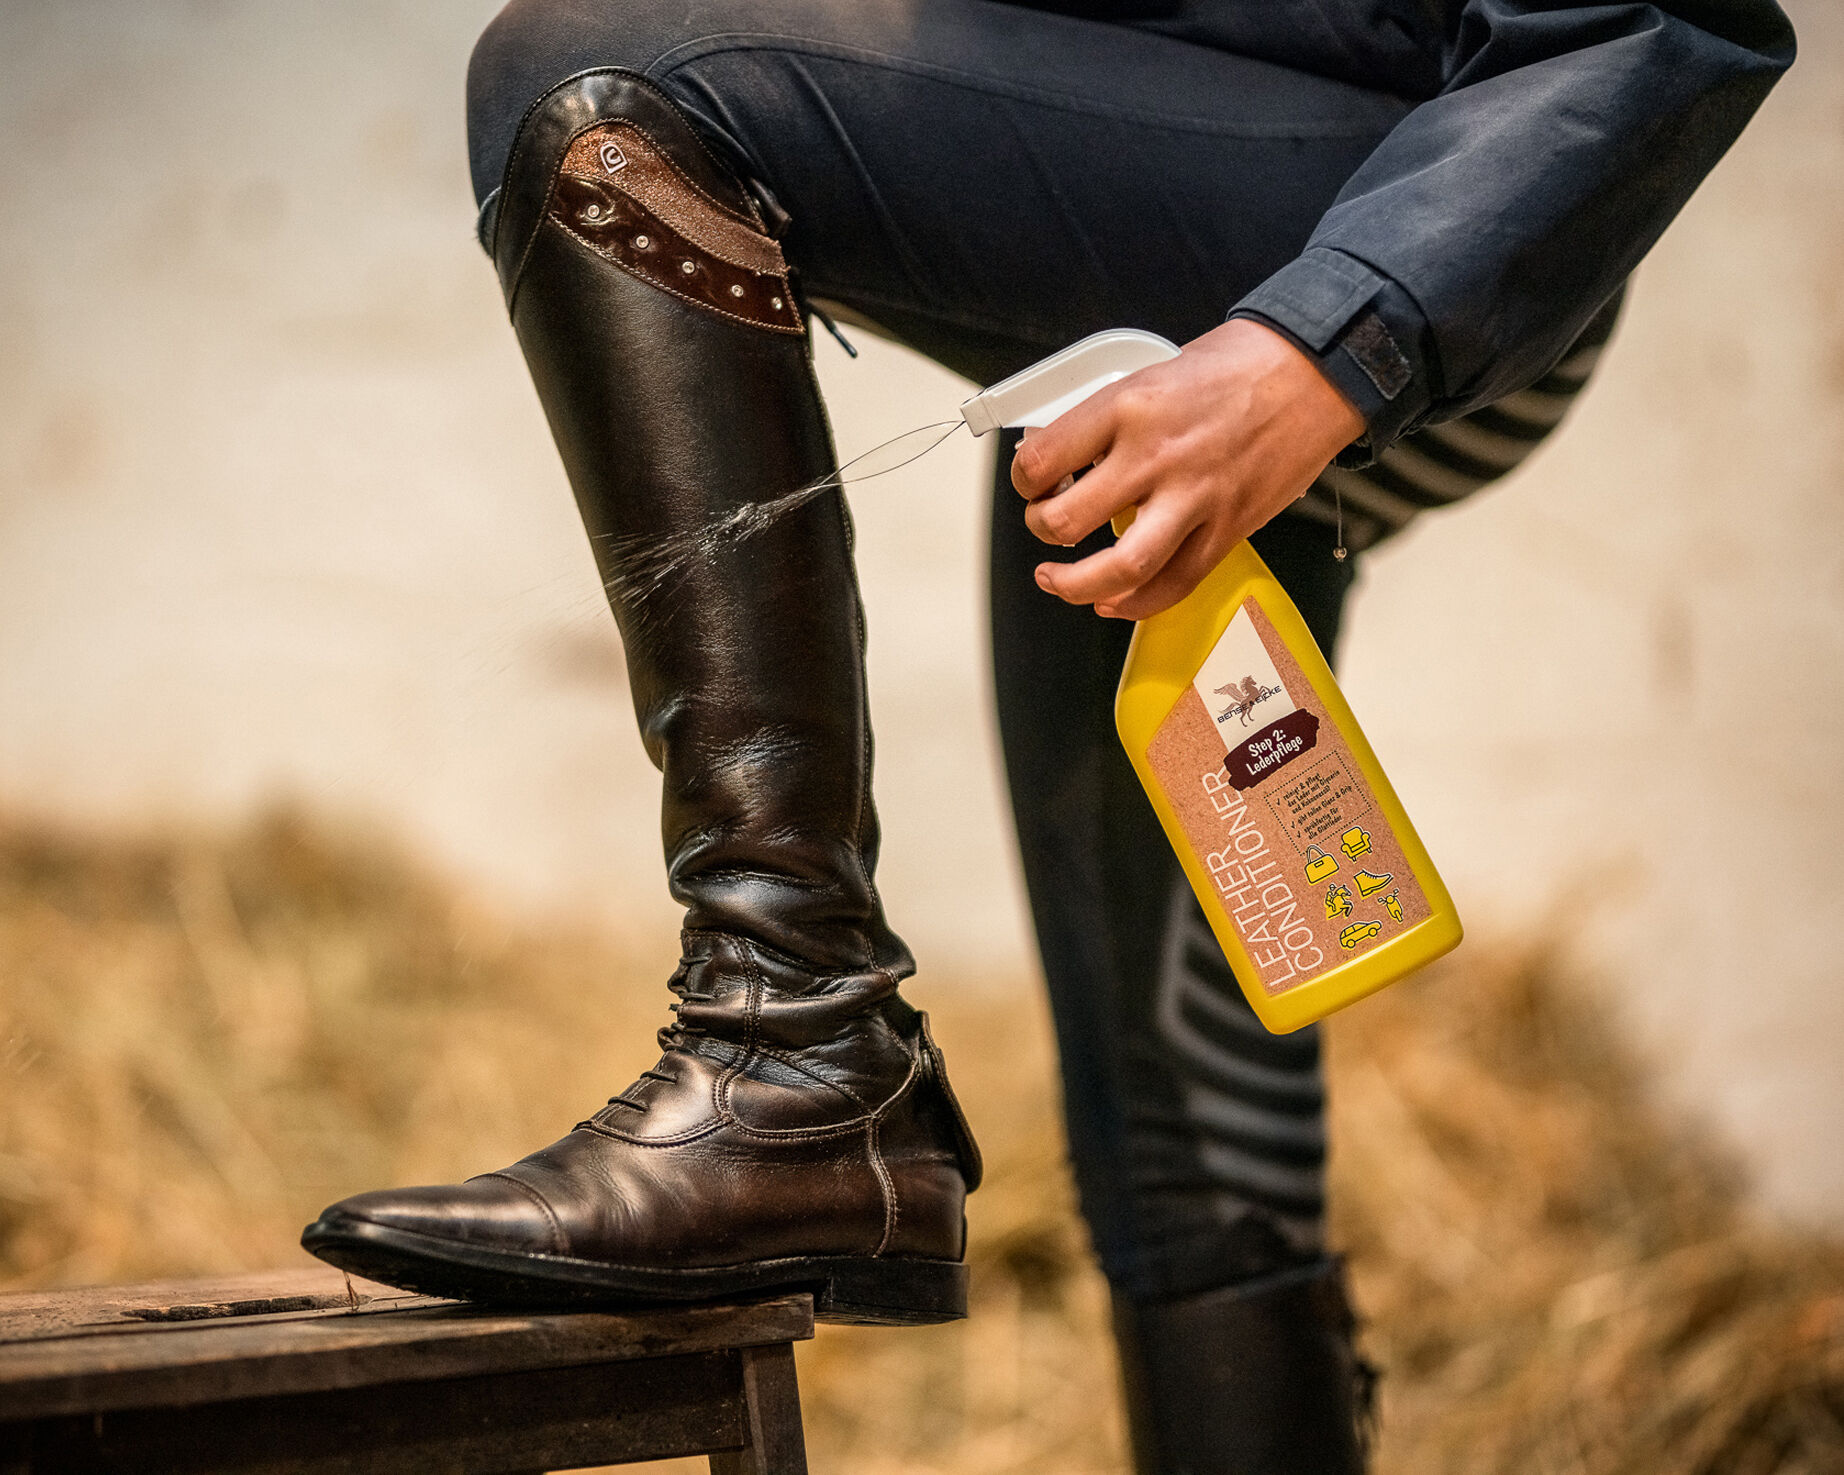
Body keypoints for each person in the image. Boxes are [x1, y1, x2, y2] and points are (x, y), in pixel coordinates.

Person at [302, 1, 1793, 1468]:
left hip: (1433, 218)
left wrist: (1313, 349)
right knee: (1176, 1138)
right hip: (1187, 274)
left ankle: (794, 1041)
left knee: (595, 93)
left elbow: (1659, 16)